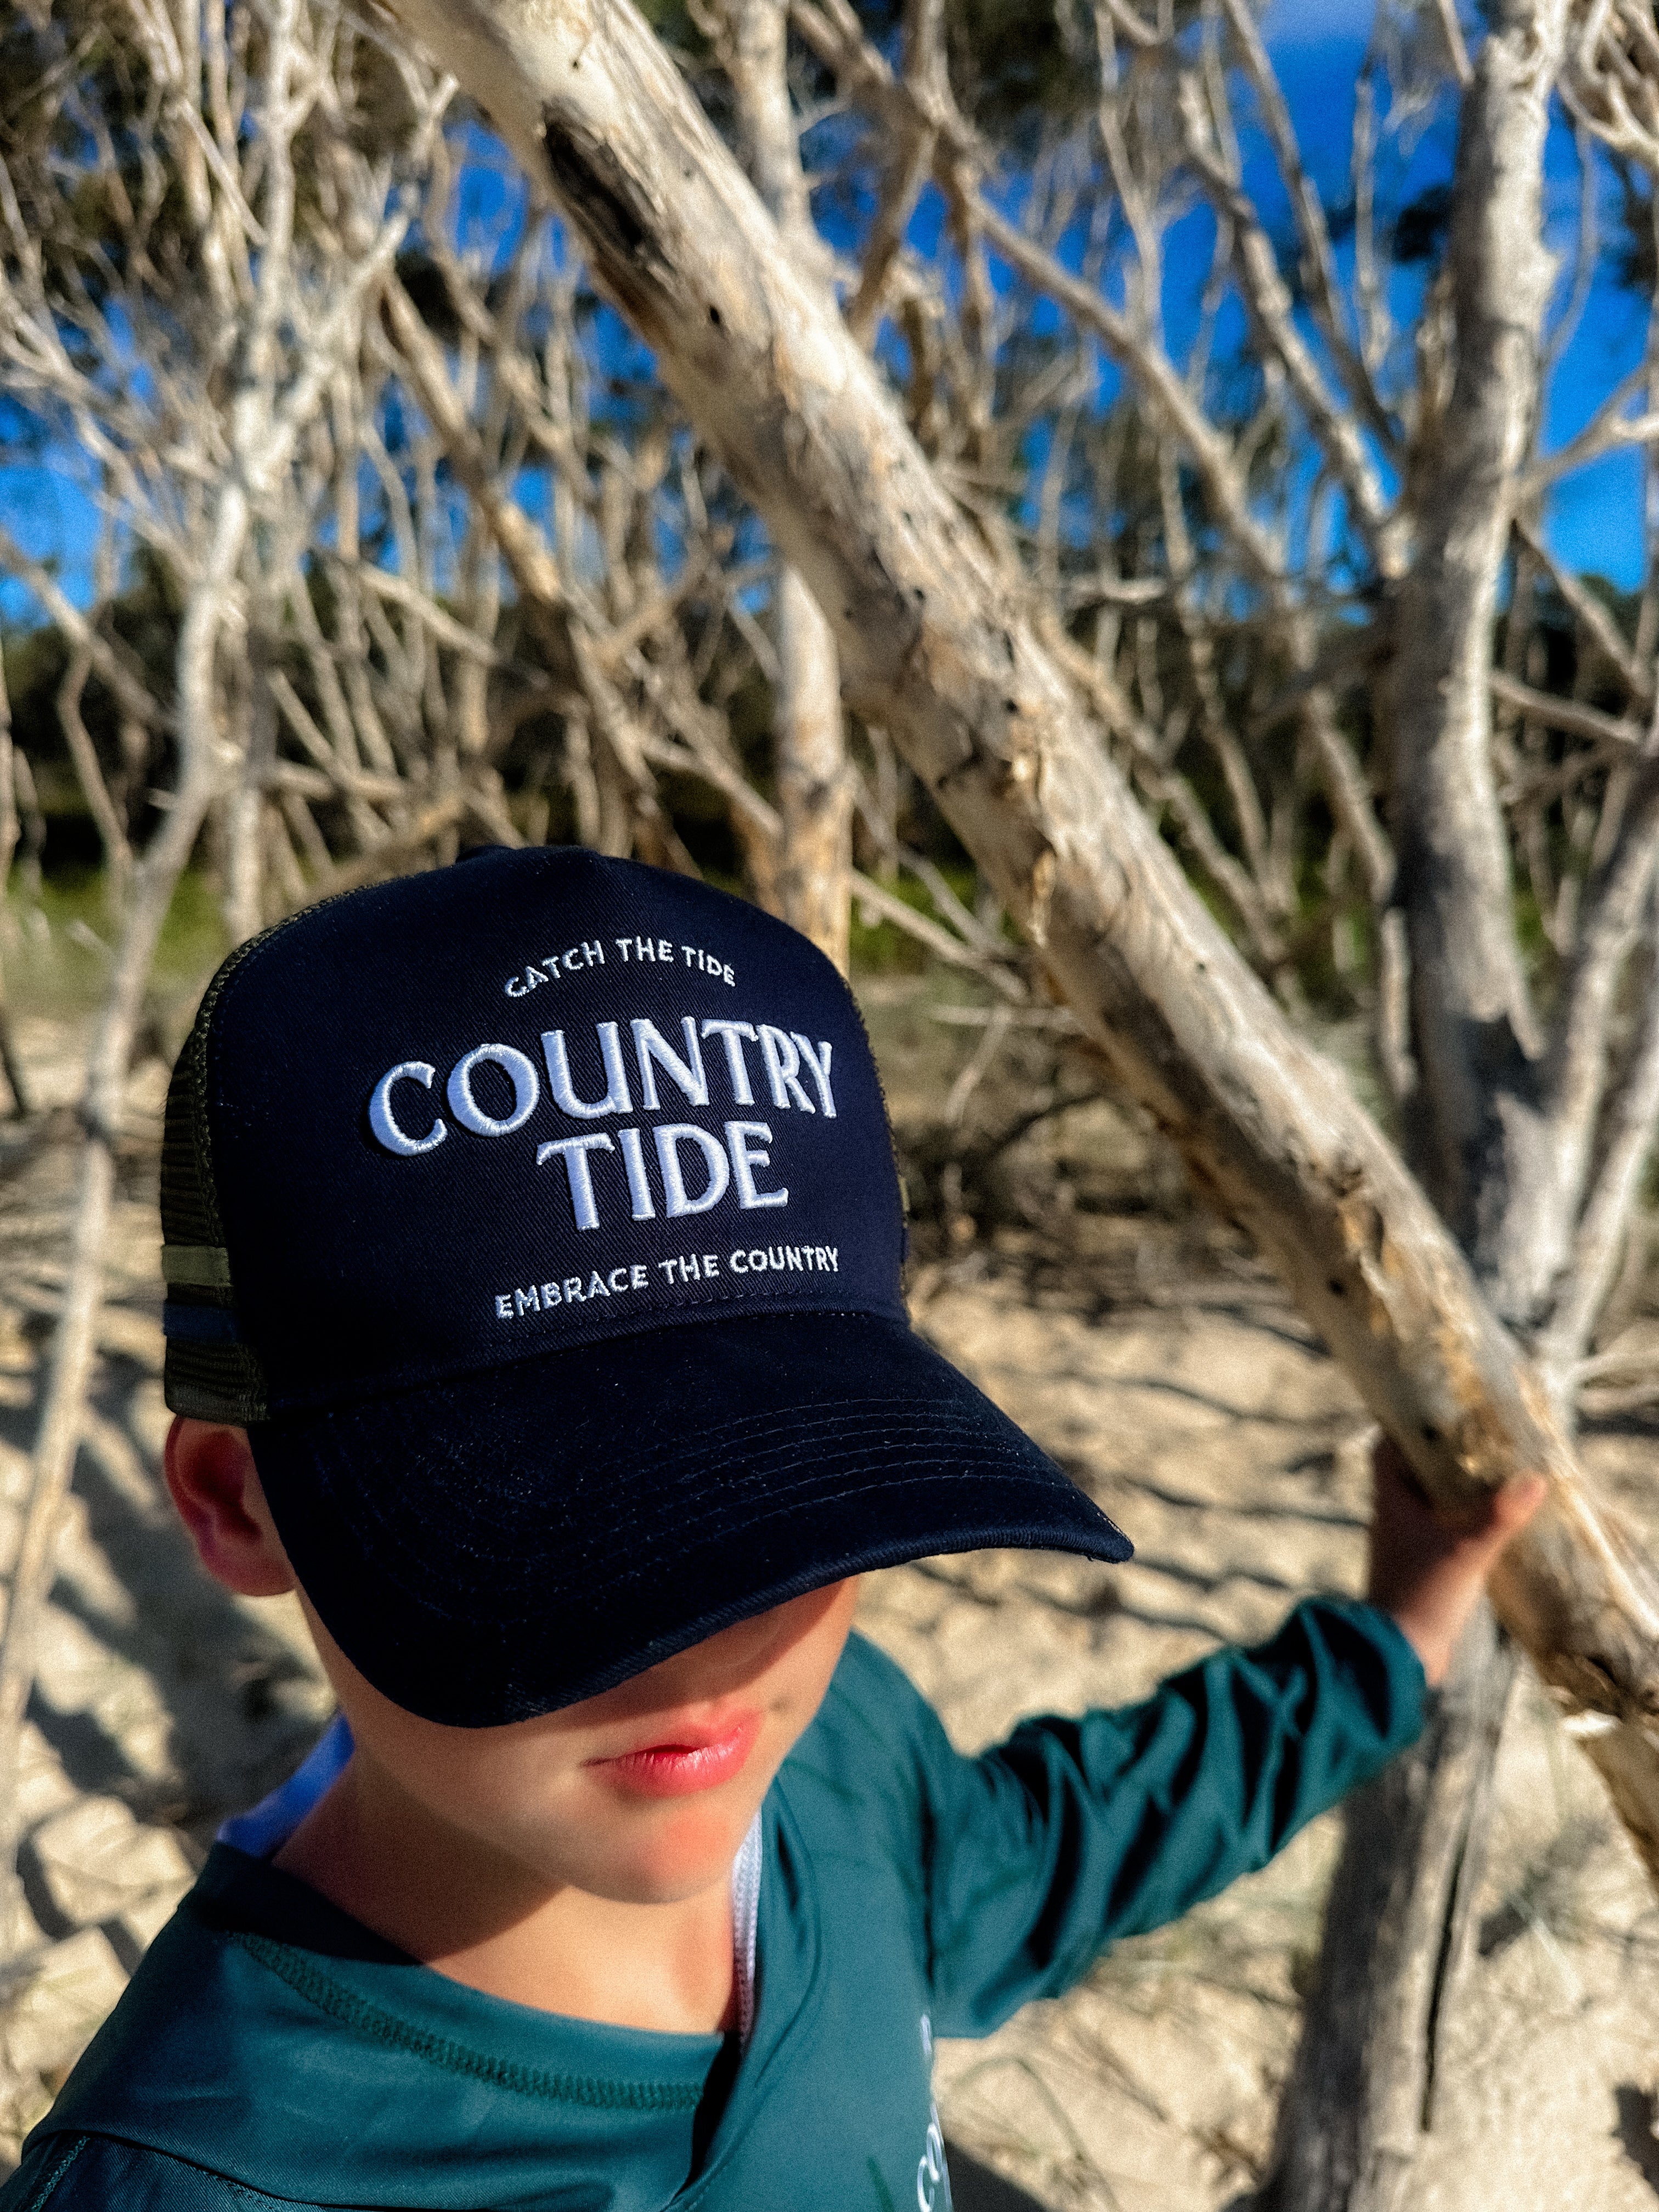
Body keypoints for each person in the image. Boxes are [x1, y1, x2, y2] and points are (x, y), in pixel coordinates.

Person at [0, 848, 1541, 2211]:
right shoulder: (202, 2178)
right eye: (569, 1523)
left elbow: (1038, 1854)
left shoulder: (830, 1751)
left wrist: (1387, 1640)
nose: (715, 1627)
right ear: (231, 1501)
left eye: (787, 1495)